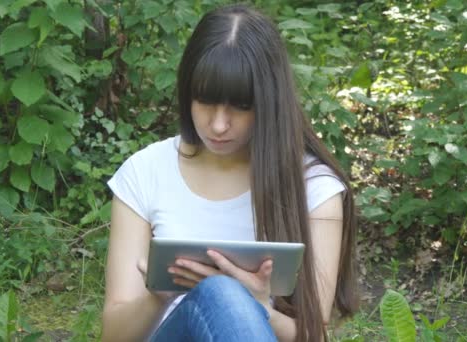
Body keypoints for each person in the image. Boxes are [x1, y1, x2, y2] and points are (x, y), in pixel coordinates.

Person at [101, 4, 358, 342]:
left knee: (224, 294)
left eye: (240, 105)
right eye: (205, 101)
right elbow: (113, 336)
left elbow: (314, 336)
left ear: (269, 102)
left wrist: (256, 306)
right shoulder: (146, 172)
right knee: (218, 293)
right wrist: (158, 295)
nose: (219, 124)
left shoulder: (314, 188)